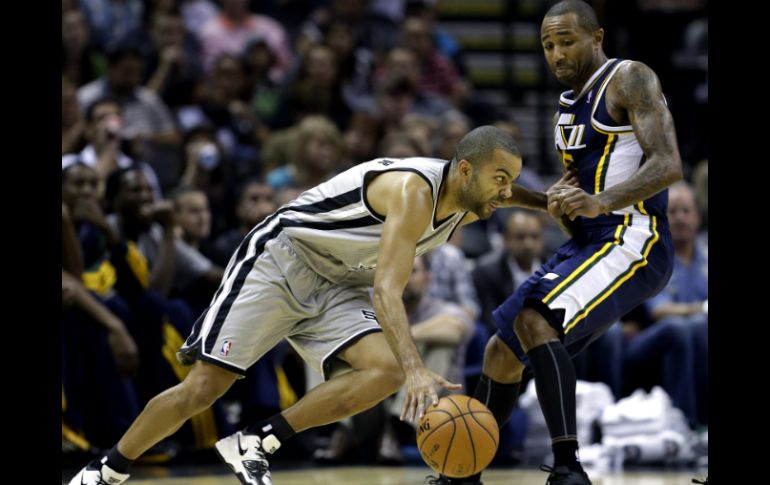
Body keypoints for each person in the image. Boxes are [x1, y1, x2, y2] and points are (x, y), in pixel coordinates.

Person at [68, 125, 555, 485]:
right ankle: (107, 468)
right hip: (283, 259)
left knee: (380, 372)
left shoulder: (470, 197)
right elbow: (387, 291)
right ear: (466, 170)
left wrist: (549, 202)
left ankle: (259, 441)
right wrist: (417, 370)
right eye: (500, 179)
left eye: (510, 181)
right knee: (203, 388)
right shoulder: (414, 192)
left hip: (338, 280)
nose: (506, 192)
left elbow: (515, 198)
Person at [430, 1, 683, 484]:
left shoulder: (630, 78)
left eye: (566, 41)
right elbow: (570, 207)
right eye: (548, 45)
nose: (556, 53)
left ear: (596, 37)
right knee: (500, 352)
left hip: (636, 238)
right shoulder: (566, 110)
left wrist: (601, 201)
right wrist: (518, 197)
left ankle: (568, 469)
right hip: (590, 242)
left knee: (534, 318)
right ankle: (464, 471)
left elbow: (668, 164)